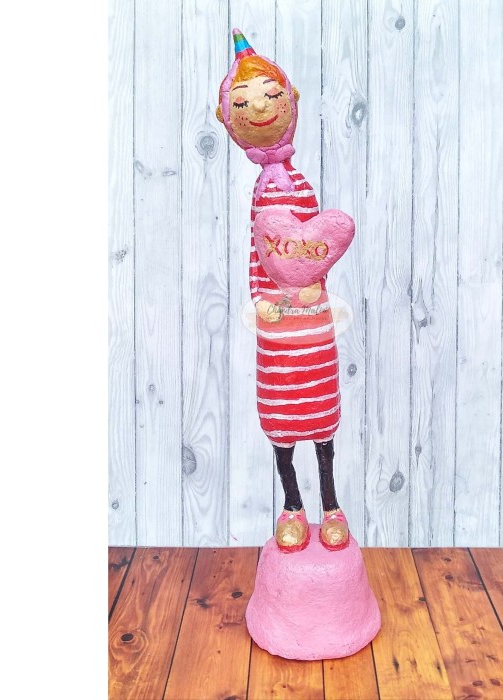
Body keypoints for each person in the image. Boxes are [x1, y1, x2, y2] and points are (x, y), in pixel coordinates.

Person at [216, 29, 350, 552]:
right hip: (276, 328)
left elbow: (318, 245)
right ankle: (292, 505)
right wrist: (260, 299)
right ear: (228, 118)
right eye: (244, 102)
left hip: (312, 326)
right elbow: (258, 255)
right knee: (282, 425)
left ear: (289, 100)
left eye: (270, 95)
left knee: (322, 424)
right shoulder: (261, 192)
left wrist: (316, 286)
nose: (259, 107)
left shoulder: (303, 186)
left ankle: (331, 504)